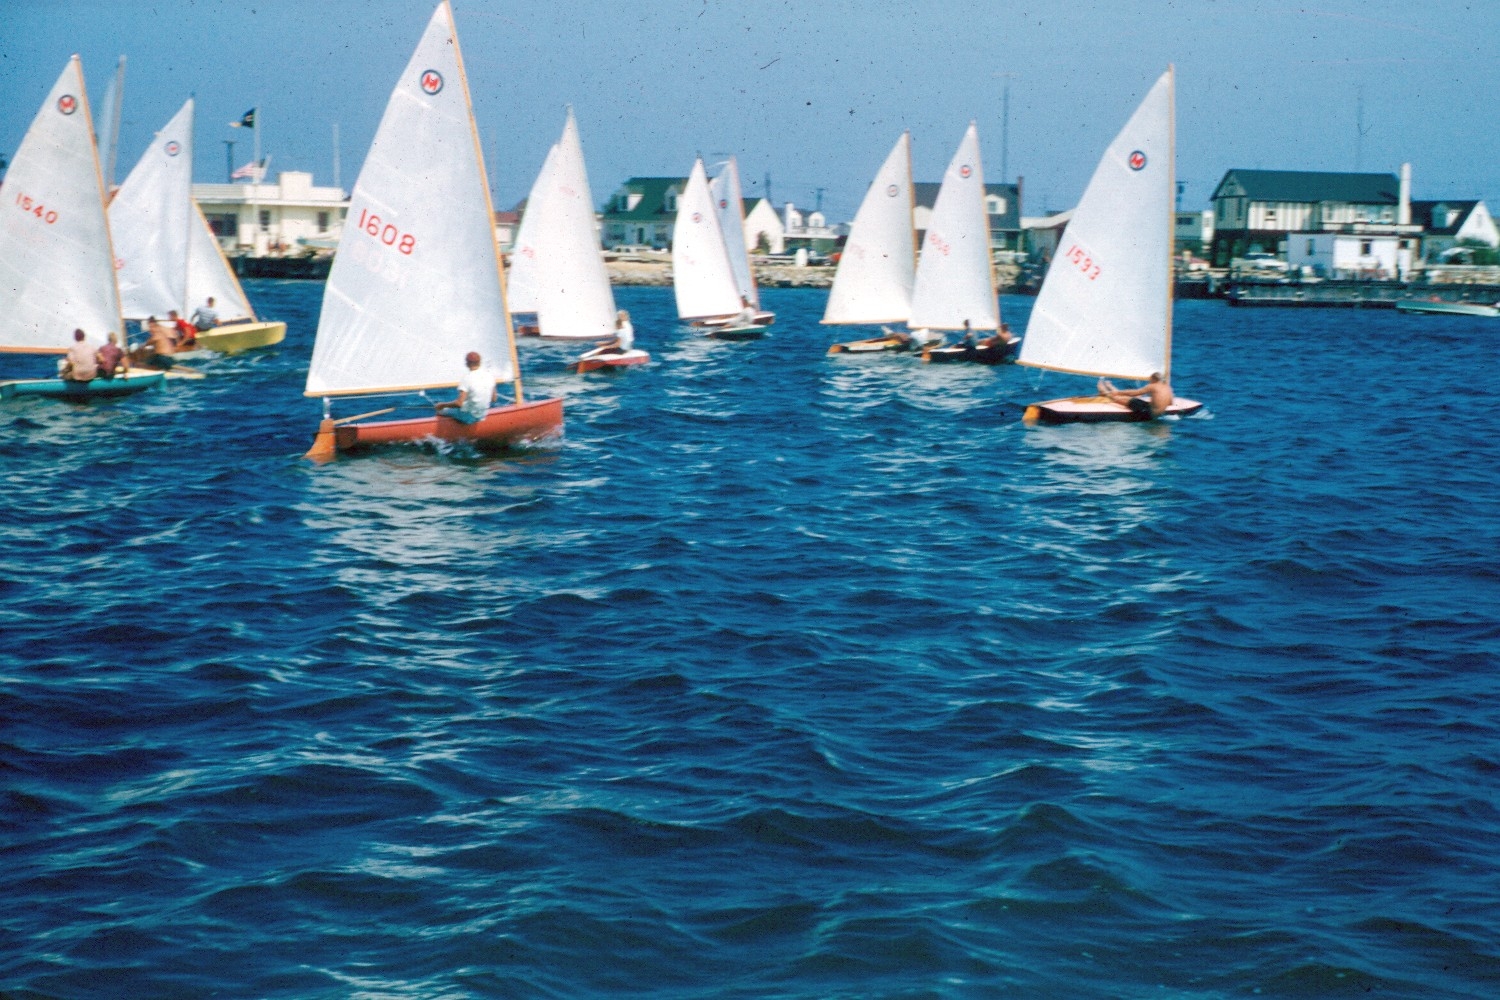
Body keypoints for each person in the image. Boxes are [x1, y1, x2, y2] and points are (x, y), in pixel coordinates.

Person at [434, 351, 496, 424]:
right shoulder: (489, 376)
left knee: (440, 411)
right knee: (464, 408)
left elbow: (459, 403)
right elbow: (493, 399)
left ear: (467, 363)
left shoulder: (467, 378)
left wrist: (442, 405)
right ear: (480, 362)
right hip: (482, 415)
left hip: (469, 418)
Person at [1098, 372, 1174, 419]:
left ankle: (1105, 392)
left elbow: (1134, 393)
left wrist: (1119, 392)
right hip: (1157, 415)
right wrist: (1156, 402)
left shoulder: (1153, 386)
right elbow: (1170, 403)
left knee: (1120, 399)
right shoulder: (1168, 387)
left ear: (1154, 379)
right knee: (1136, 399)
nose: (1149, 382)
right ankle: (1112, 388)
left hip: (1148, 414)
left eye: (1150, 380)